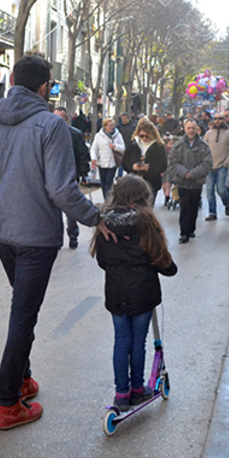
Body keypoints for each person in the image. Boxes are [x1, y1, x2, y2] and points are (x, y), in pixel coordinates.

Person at [0, 55, 111, 430]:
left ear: (12, 79)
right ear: (45, 86)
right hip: (36, 239)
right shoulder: (51, 126)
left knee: (21, 307)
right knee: (23, 315)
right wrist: (96, 219)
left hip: (2, 235)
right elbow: (62, 190)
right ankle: (7, 402)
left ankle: (24, 380)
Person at [91, 175, 178, 412]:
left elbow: (103, 261)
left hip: (116, 292)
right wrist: (170, 269)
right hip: (143, 292)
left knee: (121, 341)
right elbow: (160, 258)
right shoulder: (147, 222)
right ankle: (138, 390)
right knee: (138, 341)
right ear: (142, 198)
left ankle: (121, 394)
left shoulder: (103, 223)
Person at [166, 118, 213, 243]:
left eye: (193, 128)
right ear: (185, 129)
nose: (191, 131)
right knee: (184, 207)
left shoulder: (203, 146)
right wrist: (184, 173)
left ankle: (191, 228)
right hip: (182, 182)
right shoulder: (178, 145)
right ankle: (184, 233)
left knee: (193, 207)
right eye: (189, 128)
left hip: (196, 183)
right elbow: (173, 162)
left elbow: (207, 163)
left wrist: (192, 174)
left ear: (197, 129)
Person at [54, 106, 92, 249]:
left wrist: (83, 173)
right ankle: (56, 238)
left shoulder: (75, 134)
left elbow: (83, 155)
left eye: (60, 118)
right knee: (54, 210)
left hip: (70, 177)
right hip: (52, 177)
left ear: (66, 119)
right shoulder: (47, 132)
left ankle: (73, 236)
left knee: (70, 208)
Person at [121, 117, 168, 206]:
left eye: (147, 136)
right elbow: (124, 162)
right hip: (134, 183)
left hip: (151, 182)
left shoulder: (158, 146)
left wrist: (149, 167)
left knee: (148, 209)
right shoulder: (133, 144)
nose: (144, 138)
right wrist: (132, 166)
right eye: (142, 136)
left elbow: (163, 165)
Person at [202, 112, 229, 220]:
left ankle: (227, 203)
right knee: (209, 191)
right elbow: (203, 148)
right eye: (215, 118)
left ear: (224, 120)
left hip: (222, 166)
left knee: (221, 189)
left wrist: (226, 163)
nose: (217, 121)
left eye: (220, 118)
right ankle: (212, 213)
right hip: (210, 167)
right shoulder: (208, 133)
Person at [90, 118, 125, 201]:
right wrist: (93, 158)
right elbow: (94, 149)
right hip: (102, 162)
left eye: (113, 125)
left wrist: (116, 147)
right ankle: (106, 199)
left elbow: (123, 148)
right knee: (103, 183)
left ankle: (108, 200)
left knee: (109, 182)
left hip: (113, 162)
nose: (112, 127)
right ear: (105, 126)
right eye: (110, 125)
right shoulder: (99, 136)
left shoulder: (117, 135)